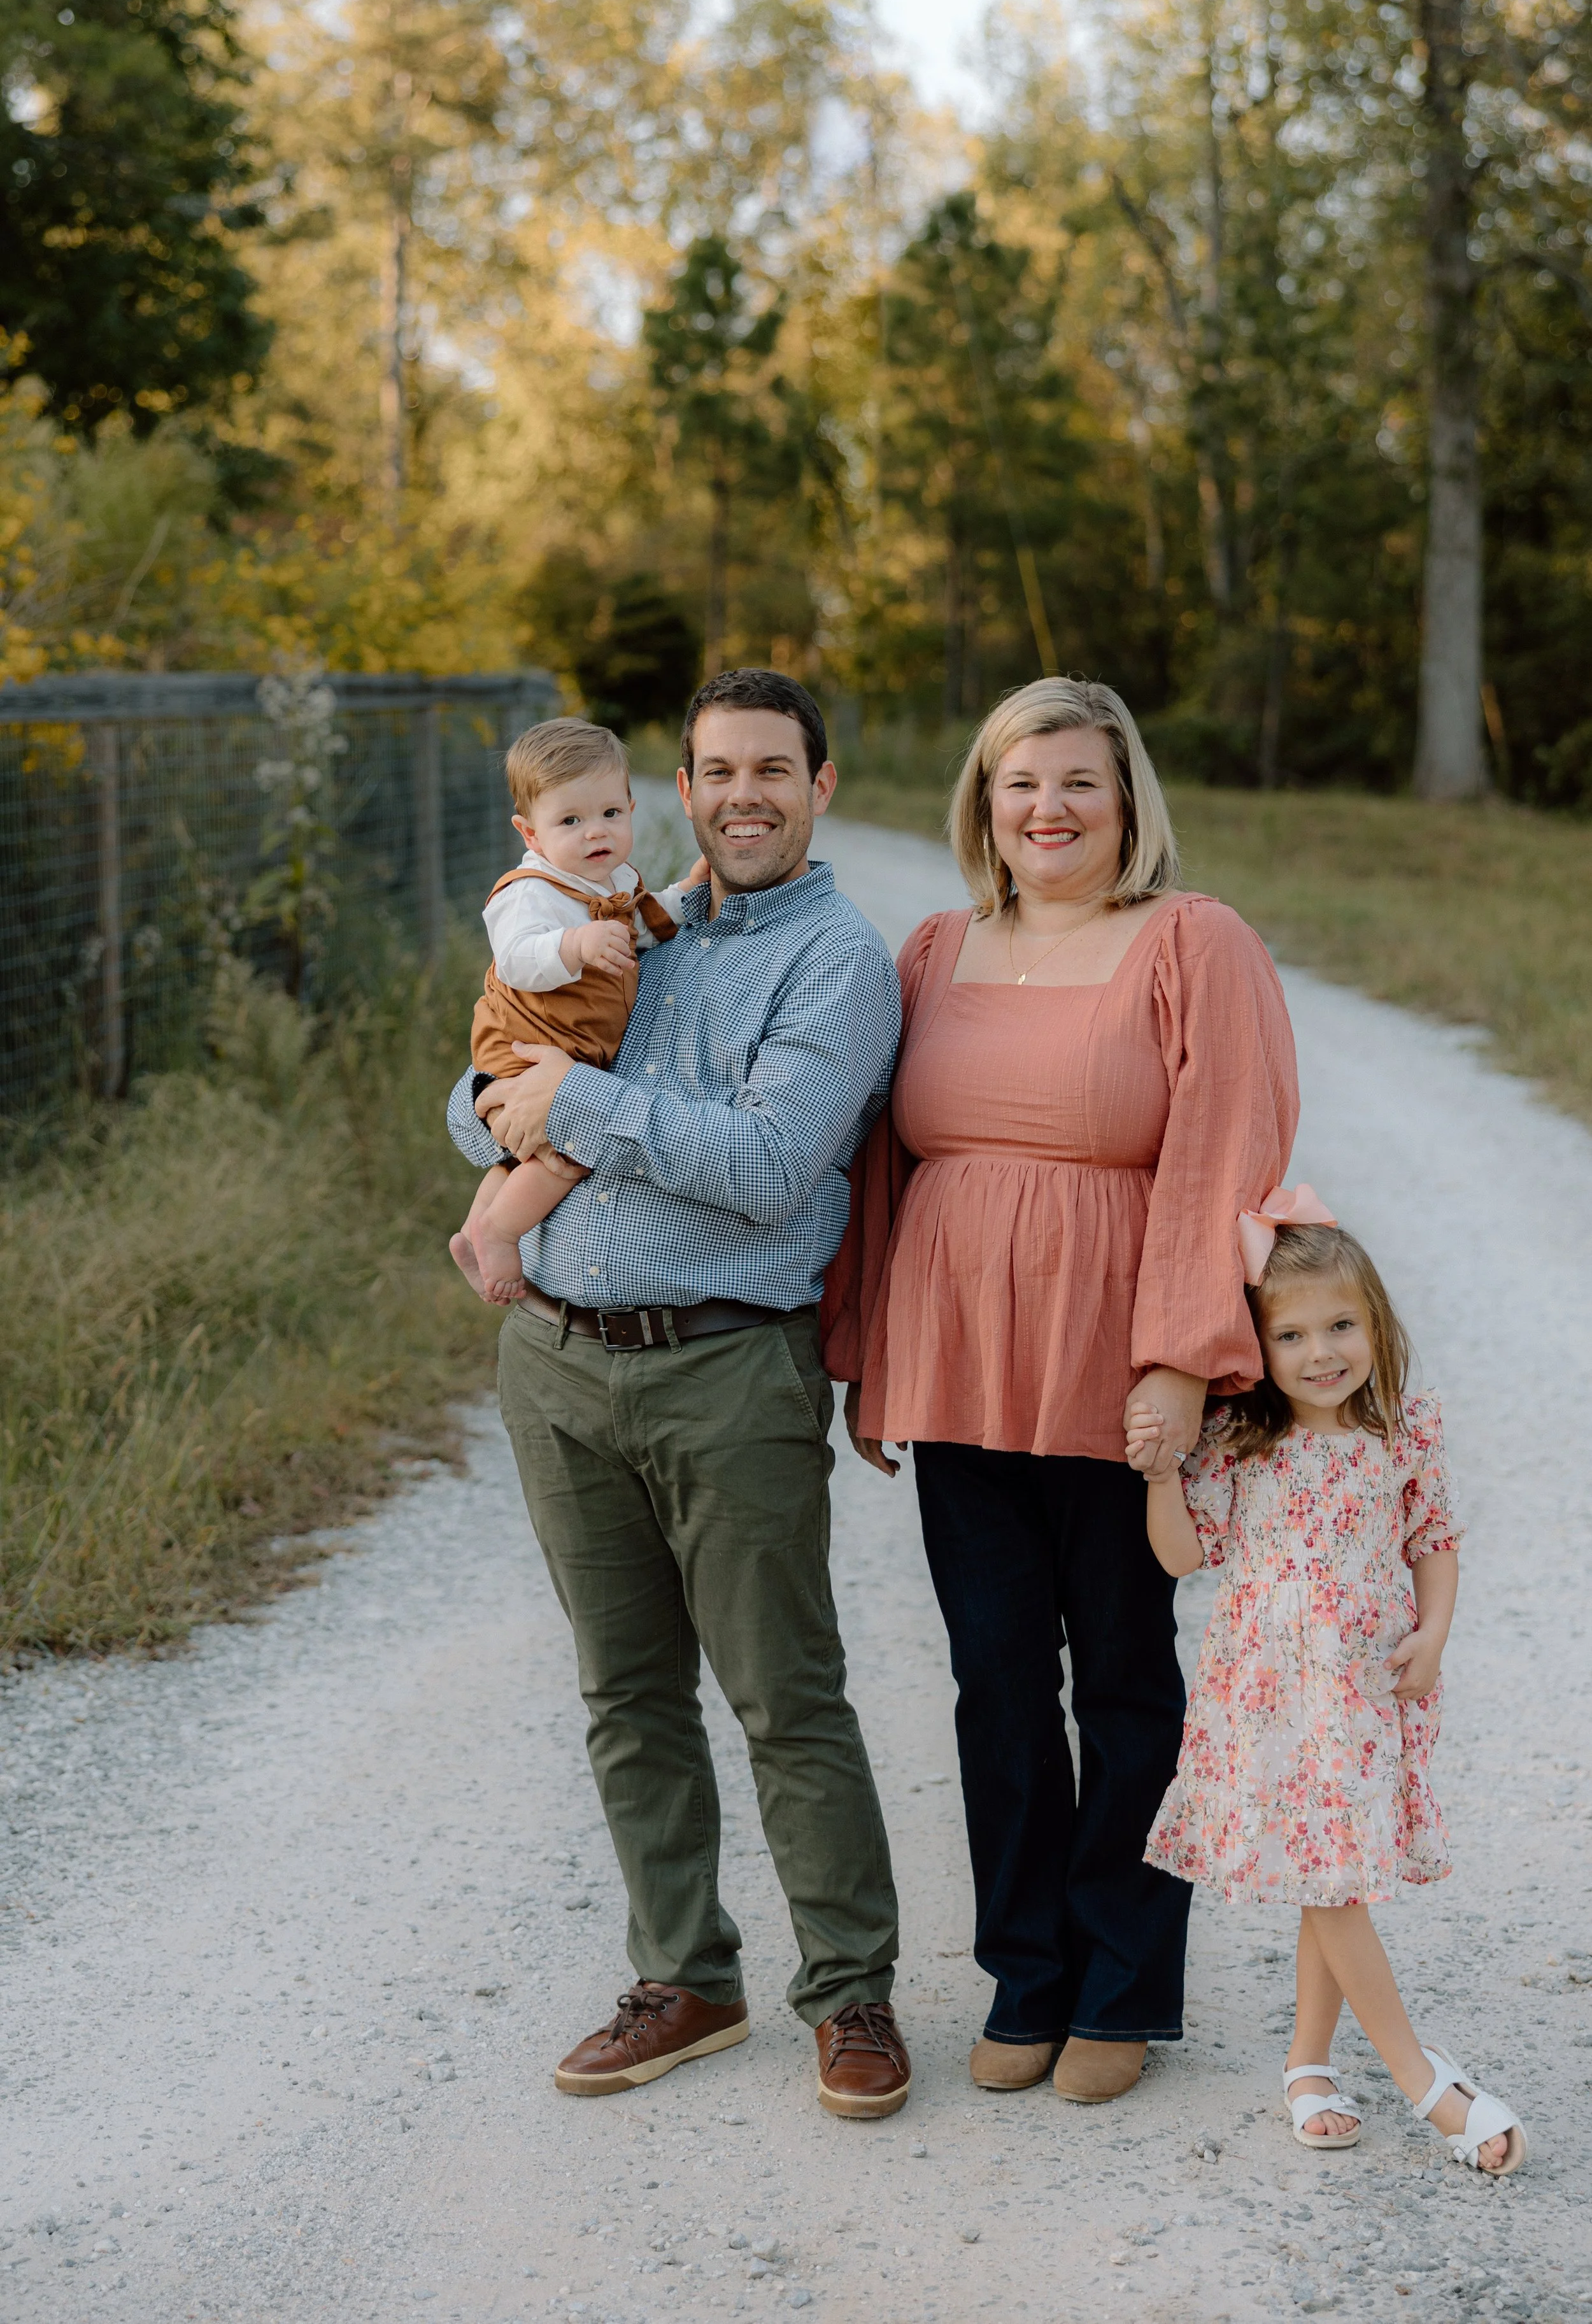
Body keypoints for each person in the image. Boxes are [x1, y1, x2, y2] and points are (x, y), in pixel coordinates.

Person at [444, 667, 914, 2118]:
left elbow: (770, 1159)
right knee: (625, 1688)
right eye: (717, 770)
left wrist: (565, 1107)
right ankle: (686, 1977)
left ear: (819, 783)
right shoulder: (620, 917)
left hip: (728, 1365)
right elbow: (480, 1092)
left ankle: (850, 1992)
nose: (743, 794)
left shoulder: (836, 960)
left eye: (772, 767)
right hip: (559, 1359)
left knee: (785, 1693)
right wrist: (489, 1104)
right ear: (684, 786)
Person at [823, 675, 1298, 2104]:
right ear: (982, 801)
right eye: (1021, 783)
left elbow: (1229, 1144)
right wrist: (870, 1355)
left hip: (1115, 1373)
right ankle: (1023, 1977)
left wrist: (1176, 1356)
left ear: (1124, 799)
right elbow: (878, 1162)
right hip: (959, 1364)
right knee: (994, 1686)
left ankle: (1124, 1986)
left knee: (1128, 1677)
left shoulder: (1187, 942)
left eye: (1079, 783)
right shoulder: (929, 950)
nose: (1048, 809)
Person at [1128, 1202, 1528, 2174]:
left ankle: (1308, 2064)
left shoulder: (1404, 1429)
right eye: (1292, 1333)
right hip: (1270, 1693)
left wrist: (1433, 1633)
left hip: (1362, 1690)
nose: (1321, 1352)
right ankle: (1421, 2078)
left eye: (1341, 1326)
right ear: (1257, 1347)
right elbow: (1183, 1555)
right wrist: (1159, 1473)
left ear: (1377, 1324)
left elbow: (1434, 1541)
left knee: (1333, 1871)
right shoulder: (1240, 1439)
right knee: (1335, 1875)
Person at [448, 716, 705, 1304]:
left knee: (528, 1151)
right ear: (530, 833)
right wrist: (574, 946)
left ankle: (476, 1226)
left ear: (632, 808)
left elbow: (642, 923)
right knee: (568, 1148)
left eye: (611, 814)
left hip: (569, 1047)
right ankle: (502, 1231)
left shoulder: (610, 880)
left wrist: (686, 896)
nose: (596, 833)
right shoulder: (528, 891)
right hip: (524, 1041)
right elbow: (516, 959)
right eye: (571, 821)